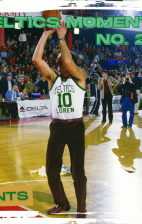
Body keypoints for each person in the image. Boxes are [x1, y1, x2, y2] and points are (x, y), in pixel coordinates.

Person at [32, 21, 87, 218]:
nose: (58, 63)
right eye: (56, 62)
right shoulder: (53, 79)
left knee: (77, 173)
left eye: (60, 61)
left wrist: (62, 38)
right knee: (51, 171)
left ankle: (82, 211)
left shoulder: (80, 77)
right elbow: (36, 59)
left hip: (75, 127)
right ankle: (62, 203)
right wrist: (46, 34)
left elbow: (68, 62)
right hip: (57, 127)